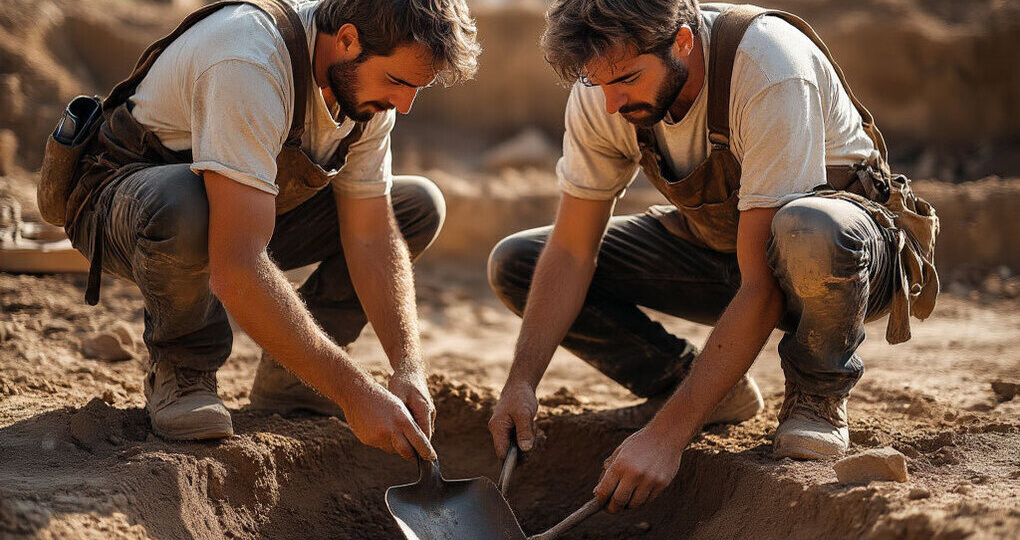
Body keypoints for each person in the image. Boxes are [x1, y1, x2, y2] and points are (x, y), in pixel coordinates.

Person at [486, 0, 938, 512]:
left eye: (628, 79)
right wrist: (521, 382)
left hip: (843, 264)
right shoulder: (607, 83)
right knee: (521, 263)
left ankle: (818, 392)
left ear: (682, 41)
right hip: (727, 248)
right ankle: (697, 387)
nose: (611, 103)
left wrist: (666, 437)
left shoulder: (768, 67)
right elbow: (571, 250)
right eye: (598, 83)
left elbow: (762, 287)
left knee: (810, 228)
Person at [59, 0, 480, 463]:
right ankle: (183, 369)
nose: (404, 104)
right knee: (187, 205)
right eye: (398, 81)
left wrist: (408, 366)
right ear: (346, 40)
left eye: (417, 88)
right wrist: (354, 392)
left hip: (241, 208)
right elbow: (237, 268)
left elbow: (372, 237)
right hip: (123, 204)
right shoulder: (250, 61)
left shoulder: (363, 88)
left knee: (414, 207)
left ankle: (292, 378)